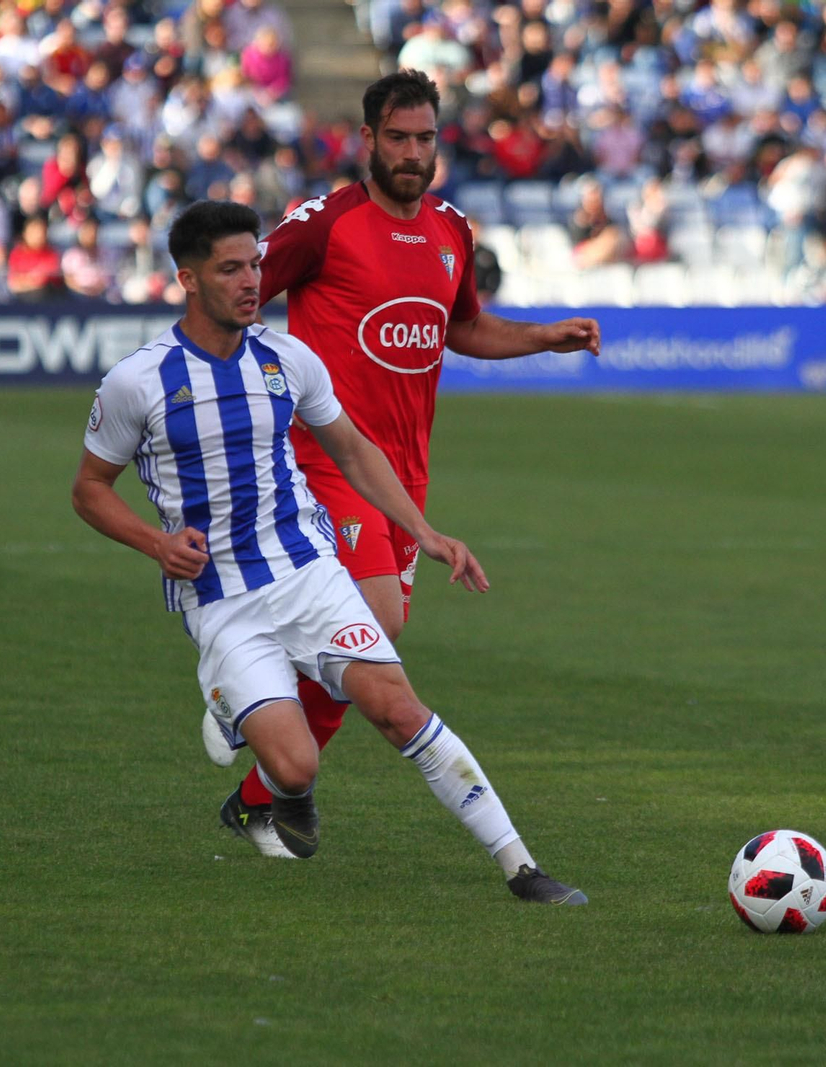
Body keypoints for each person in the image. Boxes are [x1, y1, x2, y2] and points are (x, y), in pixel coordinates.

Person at [72, 200, 585, 904]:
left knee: (398, 707)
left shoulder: (288, 359)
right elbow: (90, 489)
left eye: (255, 264)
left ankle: (521, 866)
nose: (252, 280)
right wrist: (155, 542)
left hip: (309, 571)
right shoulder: (138, 381)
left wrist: (427, 533)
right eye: (230, 269)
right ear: (188, 280)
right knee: (295, 762)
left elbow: (351, 448)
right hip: (223, 601)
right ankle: (258, 744)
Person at [197, 69, 601, 859]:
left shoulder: (453, 230)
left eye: (425, 139)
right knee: (373, 625)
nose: (413, 153)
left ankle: (254, 787)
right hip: (323, 459)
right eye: (398, 138)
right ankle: (244, 682)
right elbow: (235, 291)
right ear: (368, 141)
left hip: (404, 474)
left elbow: (464, 330)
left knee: (371, 642)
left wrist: (546, 336)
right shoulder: (325, 223)